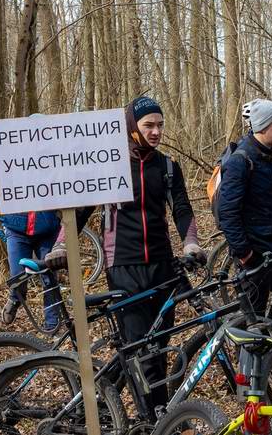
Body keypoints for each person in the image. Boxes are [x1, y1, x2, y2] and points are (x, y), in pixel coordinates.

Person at [46, 96, 204, 410]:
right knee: (142, 353)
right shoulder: (109, 164)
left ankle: (105, 401)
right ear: (132, 126)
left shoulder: (168, 167)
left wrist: (191, 242)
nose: (156, 131)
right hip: (123, 267)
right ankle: (157, 421)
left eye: (160, 125)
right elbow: (80, 210)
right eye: (149, 125)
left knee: (157, 348)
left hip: (162, 266)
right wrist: (61, 244)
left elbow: (182, 209)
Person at [216, 98, 272, 327]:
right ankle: (252, 356)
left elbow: (270, 199)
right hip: (254, 249)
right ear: (264, 126)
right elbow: (228, 213)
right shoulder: (240, 161)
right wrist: (244, 253)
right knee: (254, 311)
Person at [1, 208, 62, 329]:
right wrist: (1, 203)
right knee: (18, 276)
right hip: (16, 229)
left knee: (49, 276)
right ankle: (15, 298)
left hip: (47, 228)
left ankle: (52, 323)